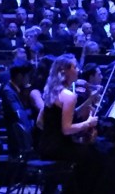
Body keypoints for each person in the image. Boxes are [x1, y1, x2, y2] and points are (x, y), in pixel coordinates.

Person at [37, 54, 109, 194]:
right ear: (66, 71)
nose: (78, 70)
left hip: (45, 146)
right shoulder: (69, 96)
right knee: (99, 155)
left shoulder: (51, 92)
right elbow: (67, 129)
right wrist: (88, 123)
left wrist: (88, 102)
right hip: (60, 148)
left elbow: (40, 122)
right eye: (75, 67)